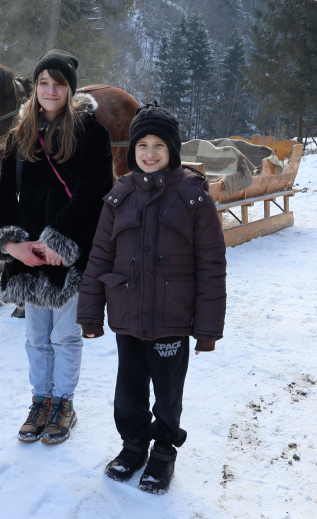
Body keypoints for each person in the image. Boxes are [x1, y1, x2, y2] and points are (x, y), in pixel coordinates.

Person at [76, 103, 227, 494]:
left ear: (173, 150)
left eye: (159, 144)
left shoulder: (194, 198)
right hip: (128, 316)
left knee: (167, 393)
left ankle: (162, 452)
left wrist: (207, 329)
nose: (149, 152)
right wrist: (90, 314)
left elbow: (211, 265)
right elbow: (99, 256)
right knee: (128, 391)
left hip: (172, 320)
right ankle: (133, 445)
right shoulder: (119, 195)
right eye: (142, 144)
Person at [0, 50, 114, 444]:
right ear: (35, 86)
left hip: (69, 250)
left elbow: (95, 192)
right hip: (28, 252)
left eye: (58, 83)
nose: (50, 90)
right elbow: (5, 192)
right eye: (43, 82)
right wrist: (12, 244)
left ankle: (63, 403)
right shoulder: (19, 133)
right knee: (35, 338)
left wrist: (58, 239)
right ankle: (40, 400)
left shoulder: (92, 133)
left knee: (64, 336)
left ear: (70, 89)